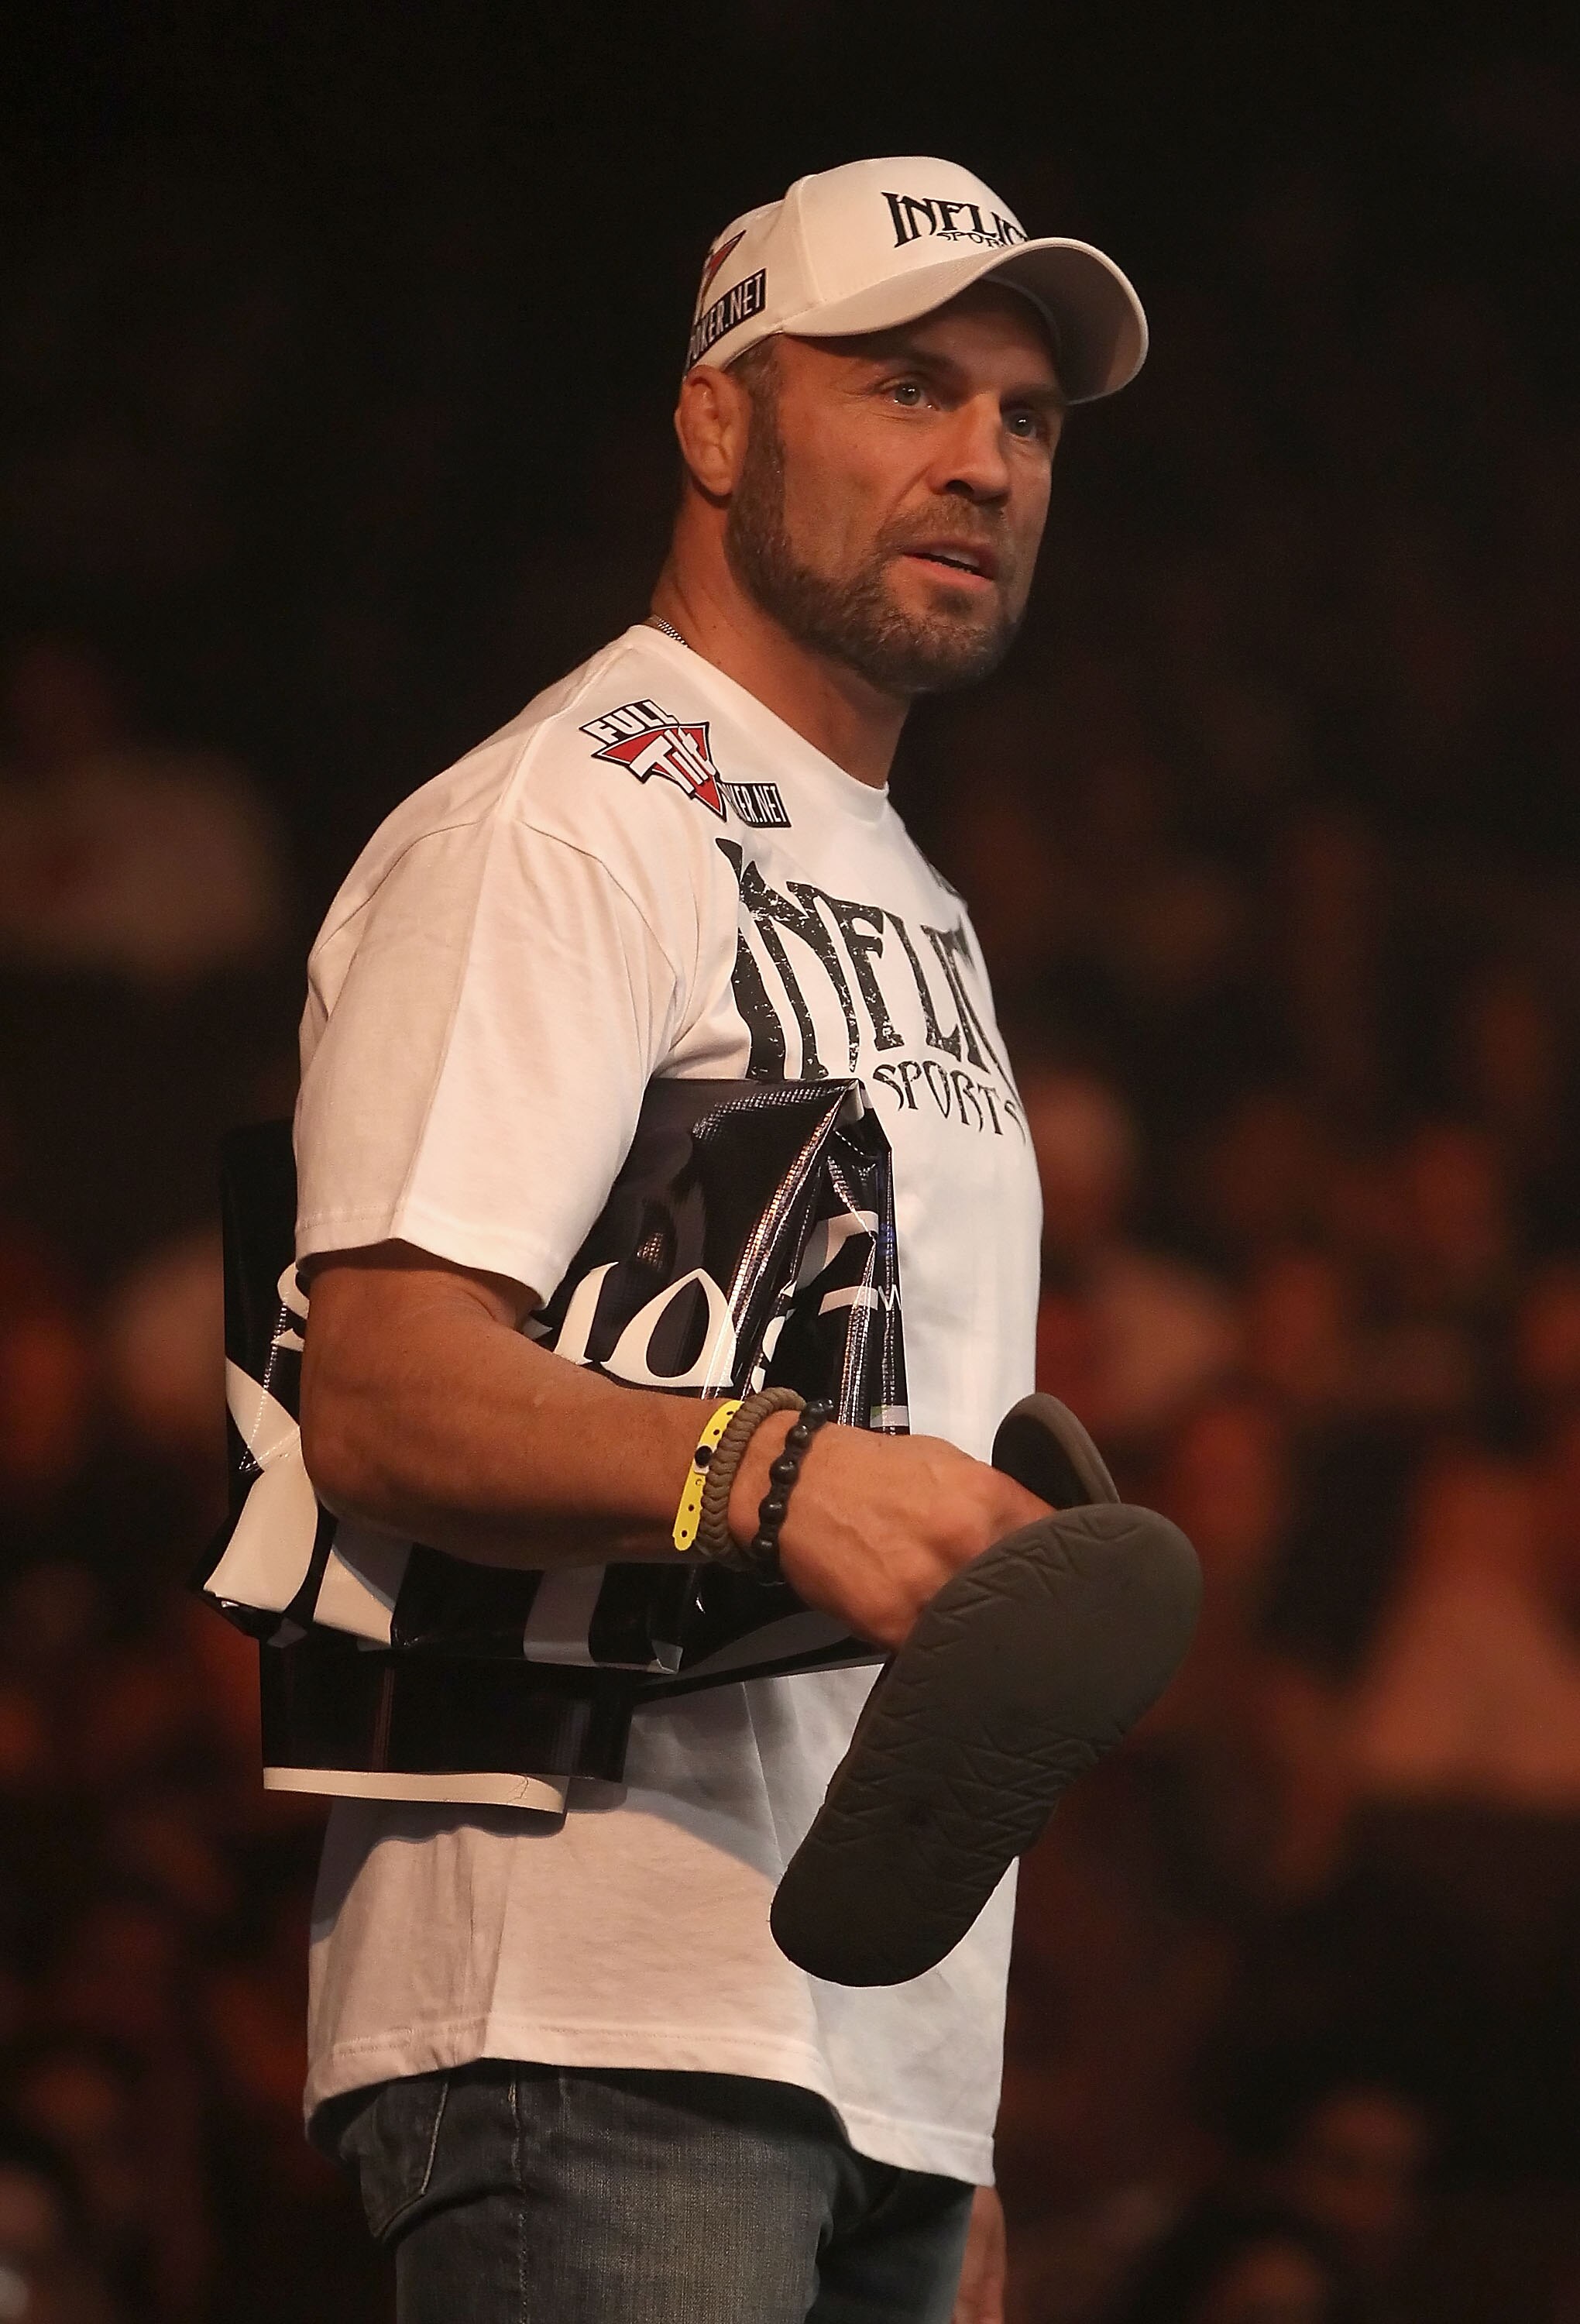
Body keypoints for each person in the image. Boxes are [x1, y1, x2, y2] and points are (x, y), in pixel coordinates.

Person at [295, 155, 1148, 2322]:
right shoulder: (574, 816)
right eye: (906, 388)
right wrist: (768, 1472)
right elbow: (382, 1388)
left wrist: (940, 2120)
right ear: (716, 422)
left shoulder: (914, 894)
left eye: (1025, 420)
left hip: (859, 2058)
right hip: (592, 2022)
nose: (979, 460)